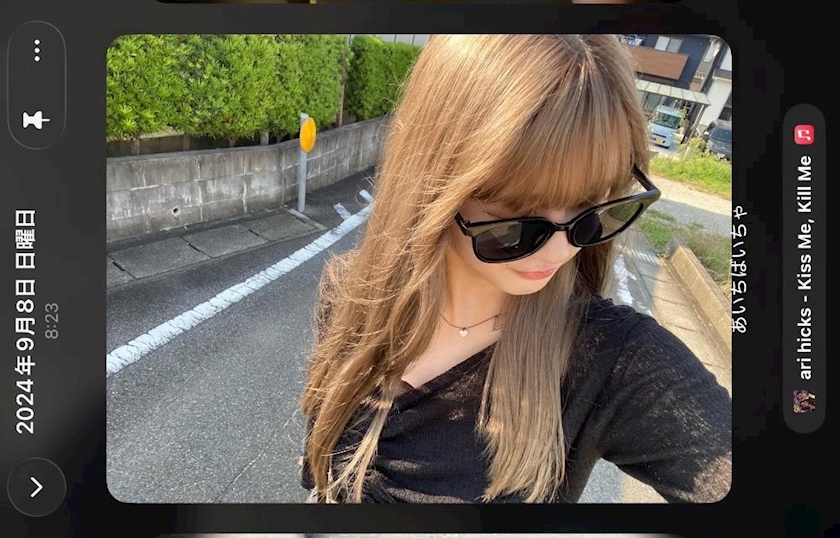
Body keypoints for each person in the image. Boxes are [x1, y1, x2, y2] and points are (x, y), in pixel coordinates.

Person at [299, 34, 731, 504]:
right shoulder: (350, 292)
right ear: (433, 187)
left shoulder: (610, 359)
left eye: (592, 209)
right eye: (518, 219)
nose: (561, 250)